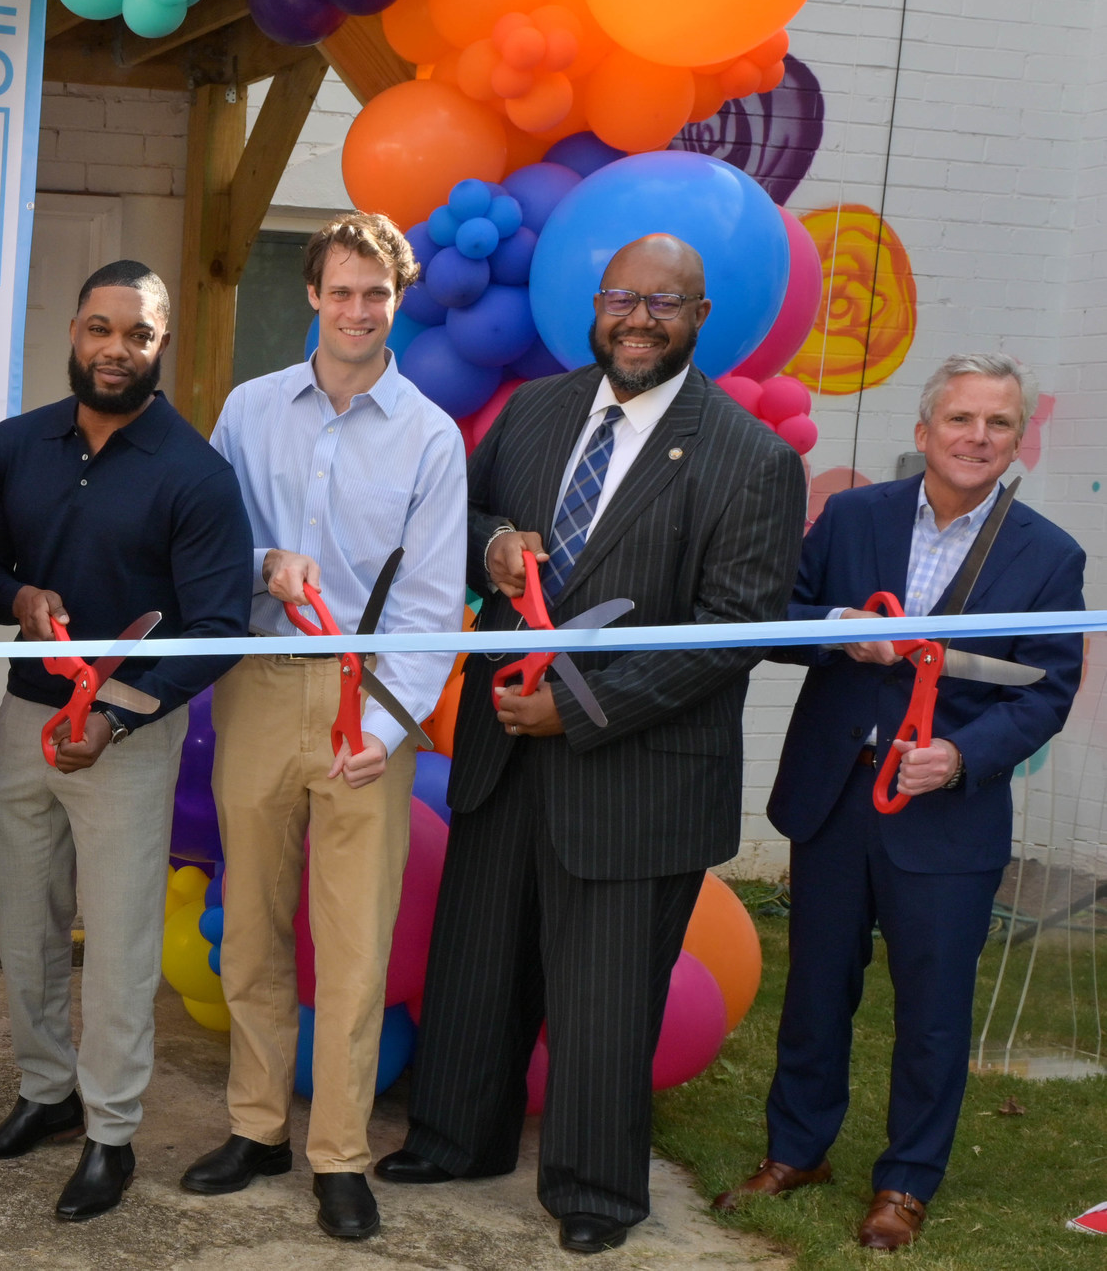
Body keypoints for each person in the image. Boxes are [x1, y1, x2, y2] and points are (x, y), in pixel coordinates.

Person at [379, 235, 804, 1255]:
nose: (640, 317)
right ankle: (455, 1136)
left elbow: (726, 634)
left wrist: (579, 709)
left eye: (665, 302)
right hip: (501, 746)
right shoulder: (533, 411)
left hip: (636, 770)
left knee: (605, 997)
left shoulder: (753, 459)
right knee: (479, 958)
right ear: (596, 309)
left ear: (701, 317)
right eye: (623, 298)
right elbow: (463, 514)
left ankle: (595, 1189)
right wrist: (489, 541)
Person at [718, 353, 1083, 1251]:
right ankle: (796, 1150)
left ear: (1016, 439)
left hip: (947, 814)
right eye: (961, 419)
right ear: (923, 433)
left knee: (932, 1013)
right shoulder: (851, 517)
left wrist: (961, 756)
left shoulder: (1049, 553)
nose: (977, 437)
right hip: (838, 796)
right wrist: (841, 632)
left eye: (998, 423)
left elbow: (1047, 688)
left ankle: (906, 1182)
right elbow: (785, 621)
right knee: (815, 991)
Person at [0, 259, 253, 1222]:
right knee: (23, 922)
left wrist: (122, 710)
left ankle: (111, 1134)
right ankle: (45, 1093)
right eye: (99, 327)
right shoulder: (12, 445)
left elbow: (219, 629)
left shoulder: (197, 474)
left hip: (126, 729)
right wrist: (21, 596)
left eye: (137, 334)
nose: (114, 348)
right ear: (73, 332)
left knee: (120, 942)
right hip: (26, 718)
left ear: (161, 346)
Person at [194, 215, 466, 1240]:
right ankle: (257, 1127)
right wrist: (267, 559)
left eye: (376, 296)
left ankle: (341, 1154)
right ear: (313, 293)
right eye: (342, 291)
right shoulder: (249, 410)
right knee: (254, 923)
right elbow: (207, 540)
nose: (358, 311)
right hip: (261, 685)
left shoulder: (429, 435)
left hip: (369, 706)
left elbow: (434, 604)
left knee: (355, 944)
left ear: (399, 302)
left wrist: (390, 726)